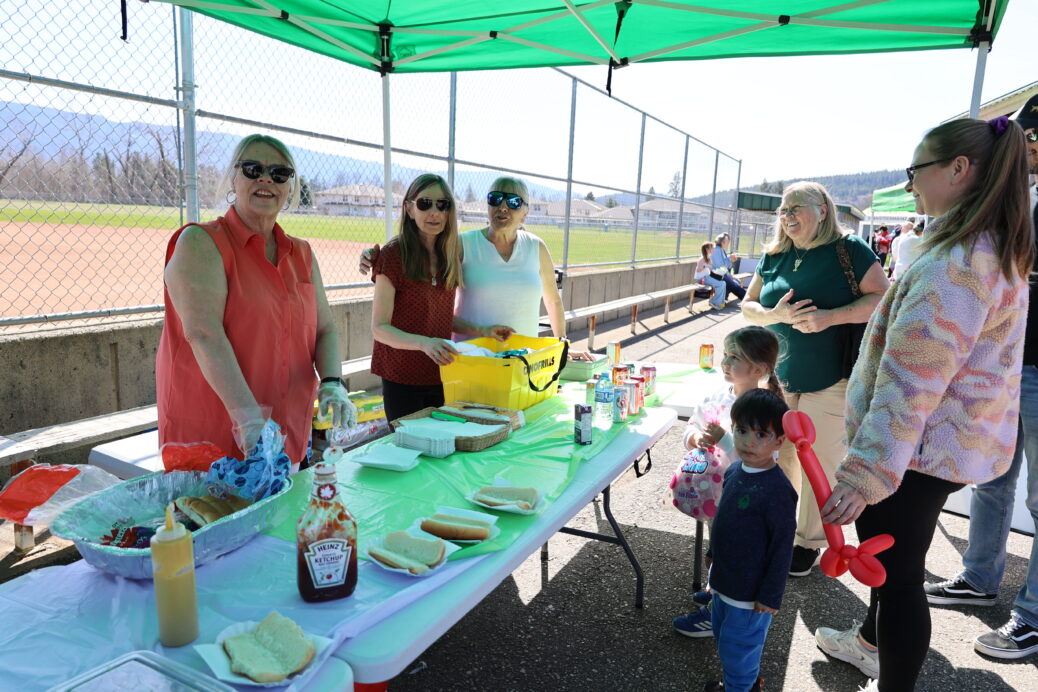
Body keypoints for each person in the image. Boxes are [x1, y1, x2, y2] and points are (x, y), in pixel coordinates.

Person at [814, 115, 1033, 691]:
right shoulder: (992, 248)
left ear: (958, 169)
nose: (911, 184)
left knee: (899, 580)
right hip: (943, 447)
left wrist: (863, 475)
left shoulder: (954, 267)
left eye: (917, 170)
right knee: (896, 572)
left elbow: (910, 387)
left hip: (912, 455)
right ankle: (868, 645)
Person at [157, 134, 355, 469]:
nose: (266, 179)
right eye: (253, 169)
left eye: (280, 173)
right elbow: (204, 334)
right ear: (233, 178)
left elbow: (325, 329)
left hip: (288, 438)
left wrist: (334, 383)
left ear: (290, 187)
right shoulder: (201, 242)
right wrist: (248, 420)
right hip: (216, 442)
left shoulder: (302, 253)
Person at [922, 95, 1038, 661]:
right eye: (1028, 136)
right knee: (994, 480)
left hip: (1029, 370)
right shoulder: (1011, 206)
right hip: (1007, 371)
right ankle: (978, 577)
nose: (1031, 148)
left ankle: (1033, 615)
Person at [741, 181, 887, 576]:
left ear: (822, 209)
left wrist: (830, 317)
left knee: (818, 462)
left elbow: (881, 299)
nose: (787, 217)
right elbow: (748, 306)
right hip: (779, 378)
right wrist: (777, 315)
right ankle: (784, 528)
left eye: (796, 208)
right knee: (782, 455)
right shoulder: (774, 255)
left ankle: (808, 543)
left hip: (831, 377)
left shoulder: (849, 250)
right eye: (783, 211)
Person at [673, 326, 783, 639]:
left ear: (758, 369)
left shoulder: (764, 412)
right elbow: (691, 427)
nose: (725, 362)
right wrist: (694, 437)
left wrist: (725, 440)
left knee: (735, 555)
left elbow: (756, 460)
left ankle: (716, 615)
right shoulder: (716, 395)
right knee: (717, 547)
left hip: (745, 501)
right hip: (712, 495)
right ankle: (715, 589)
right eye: (725, 354)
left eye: (735, 357)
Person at [370, 174, 509, 422]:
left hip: (442, 373)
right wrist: (425, 343)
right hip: (402, 375)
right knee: (411, 449)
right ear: (409, 209)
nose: (434, 212)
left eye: (442, 205)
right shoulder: (393, 254)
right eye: (425, 204)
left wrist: (484, 330)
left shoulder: (449, 253)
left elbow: (440, 316)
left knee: (440, 449)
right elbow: (380, 328)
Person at [360, 176, 566, 341]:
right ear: (487, 205)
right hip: (470, 358)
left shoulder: (536, 247)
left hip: (523, 359)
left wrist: (562, 344)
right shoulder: (462, 244)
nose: (503, 207)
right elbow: (420, 256)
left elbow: (553, 300)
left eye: (513, 202)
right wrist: (374, 257)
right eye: (495, 199)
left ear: (525, 212)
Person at [700, 389, 796, 692]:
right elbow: (724, 517)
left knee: (738, 650)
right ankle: (742, 683)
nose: (748, 441)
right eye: (741, 430)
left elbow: (782, 547)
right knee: (724, 638)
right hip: (724, 582)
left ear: (779, 441)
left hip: (750, 595)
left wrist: (770, 596)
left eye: (761, 434)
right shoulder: (733, 470)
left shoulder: (779, 490)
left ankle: (740, 686)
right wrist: (713, 551)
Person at [711, 233, 748, 302]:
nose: (728, 243)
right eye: (727, 240)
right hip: (715, 274)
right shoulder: (716, 249)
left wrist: (728, 273)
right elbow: (720, 265)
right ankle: (746, 297)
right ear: (722, 241)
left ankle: (724, 298)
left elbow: (724, 266)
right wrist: (729, 258)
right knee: (732, 284)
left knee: (736, 281)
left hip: (720, 273)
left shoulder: (721, 250)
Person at [695, 241, 727, 310]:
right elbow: (698, 270)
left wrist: (719, 271)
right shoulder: (702, 259)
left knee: (723, 283)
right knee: (721, 284)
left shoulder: (708, 257)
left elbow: (710, 269)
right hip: (702, 279)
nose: (713, 249)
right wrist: (705, 266)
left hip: (707, 277)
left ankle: (720, 302)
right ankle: (714, 301)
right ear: (707, 249)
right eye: (712, 248)